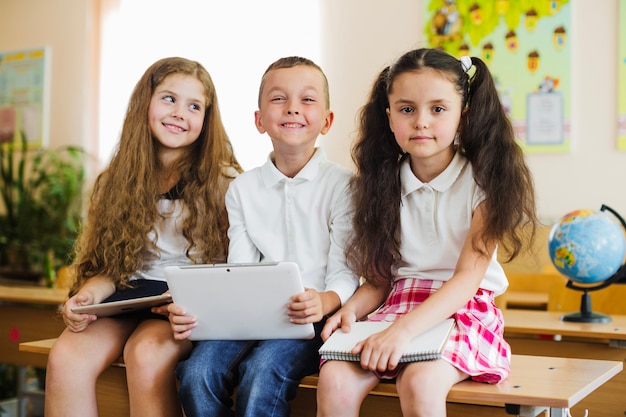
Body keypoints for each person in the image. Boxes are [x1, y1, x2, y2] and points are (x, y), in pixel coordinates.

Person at [315, 48, 538, 417]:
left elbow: (468, 279)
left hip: (462, 309)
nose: (421, 121)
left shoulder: (486, 182)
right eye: (406, 109)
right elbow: (379, 280)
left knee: (419, 381)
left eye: (438, 109)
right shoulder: (379, 183)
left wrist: (401, 333)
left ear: (462, 117)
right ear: (389, 118)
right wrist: (349, 311)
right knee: (334, 380)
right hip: (397, 306)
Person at [44, 56, 242, 417]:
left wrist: (195, 304)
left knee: (146, 354)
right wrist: (88, 296)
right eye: (169, 98)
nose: (180, 112)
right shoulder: (115, 181)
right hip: (127, 299)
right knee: (65, 357)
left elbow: (234, 273)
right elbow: (111, 268)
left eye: (194, 106)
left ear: (207, 120)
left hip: (183, 307)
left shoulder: (225, 182)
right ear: (144, 104)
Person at [168, 56, 360, 417]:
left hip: (312, 321)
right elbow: (238, 270)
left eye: (307, 99)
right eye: (278, 99)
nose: (292, 109)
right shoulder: (242, 189)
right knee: (196, 373)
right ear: (259, 120)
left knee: (260, 374)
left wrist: (327, 299)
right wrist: (202, 312)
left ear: (327, 120)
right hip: (249, 316)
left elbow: (346, 270)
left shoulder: (344, 186)